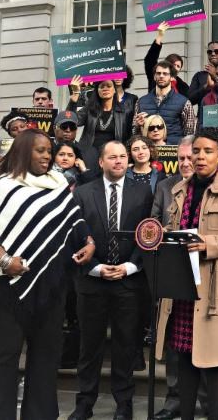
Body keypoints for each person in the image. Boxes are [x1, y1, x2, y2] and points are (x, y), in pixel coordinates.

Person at [0, 129, 95, 420]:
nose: (47, 156)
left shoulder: (58, 184)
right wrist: (5, 260)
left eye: (49, 150)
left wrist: (89, 242)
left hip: (51, 287)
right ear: (22, 151)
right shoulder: (2, 186)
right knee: (3, 357)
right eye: (40, 150)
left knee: (46, 359)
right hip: (9, 287)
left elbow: (75, 222)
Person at [154, 127, 218, 420]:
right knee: (184, 357)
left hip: (216, 288)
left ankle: (214, 416)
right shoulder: (179, 188)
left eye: (207, 151)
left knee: (213, 361)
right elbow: (176, 228)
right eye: (196, 151)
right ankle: (185, 415)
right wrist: (165, 236)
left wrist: (207, 244)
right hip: (183, 284)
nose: (200, 157)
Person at [68, 140, 153, 420]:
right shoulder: (81, 193)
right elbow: (74, 237)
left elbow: (149, 236)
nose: (118, 161)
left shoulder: (143, 193)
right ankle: (85, 404)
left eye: (123, 157)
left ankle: (124, 404)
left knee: (125, 345)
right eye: (112, 157)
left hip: (128, 282)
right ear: (101, 162)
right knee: (89, 347)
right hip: (92, 282)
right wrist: (94, 268)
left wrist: (130, 266)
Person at [149, 136, 210, 419]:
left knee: (207, 340)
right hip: (175, 271)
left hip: (208, 272)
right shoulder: (164, 187)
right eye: (182, 158)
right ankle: (174, 398)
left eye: (191, 157)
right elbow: (153, 225)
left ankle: (208, 400)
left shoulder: (211, 185)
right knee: (175, 340)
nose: (186, 163)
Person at [135, 61, 196, 145]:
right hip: (149, 152)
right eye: (158, 73)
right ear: (154, 76)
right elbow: (135, 134)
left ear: (172, 77)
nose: (161, 76)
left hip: (173, 152)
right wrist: (138, 125)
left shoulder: (184, 102)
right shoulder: (141, 102)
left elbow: (189, 134)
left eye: (165, 74)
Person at [69, 78, 135, 151]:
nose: (105, 89)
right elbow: (72, 122)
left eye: (109, 86)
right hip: (89, 154)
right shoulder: (89, 109)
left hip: (113, 155)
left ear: (114, 90)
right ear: (97, 91)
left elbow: (130, 136)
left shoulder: (124, 112)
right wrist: (73, 101)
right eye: (102, 87)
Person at [145, 22, 190, 95]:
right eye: (173, 64)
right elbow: (150, 60)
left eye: (178, 66)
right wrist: (160, 35)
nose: (175, 67)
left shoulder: (183, 87)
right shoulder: (157, 76)